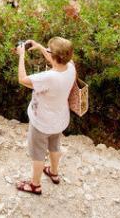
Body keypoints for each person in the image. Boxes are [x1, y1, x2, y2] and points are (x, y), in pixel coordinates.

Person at [15, 37, 76, 195]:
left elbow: (22, 79)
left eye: (49, 51)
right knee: (54, 146)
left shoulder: (48, 78)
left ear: (55, 56)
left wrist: (21, 55)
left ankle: (35, 185)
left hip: (41, 122)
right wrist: (40, 47)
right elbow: (56, 60)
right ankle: (54, 173)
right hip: (60, 119)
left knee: (38, 154)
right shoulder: (71, 67)